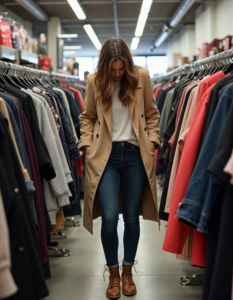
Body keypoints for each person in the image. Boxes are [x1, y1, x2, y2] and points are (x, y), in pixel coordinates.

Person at [78, 37, 161, 299]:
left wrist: (153, 139)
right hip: (106, 156)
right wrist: (87, 145)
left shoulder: (142, 77)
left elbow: (152, 113)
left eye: (121, 69)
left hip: (136, 154)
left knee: (132, 217)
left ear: (128, 64)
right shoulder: (94, 81)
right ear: (104, 66)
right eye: (112, 69)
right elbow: (88, 117)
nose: (117, 74)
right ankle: (113, 273)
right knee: (110, 217)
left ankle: (127, 272)